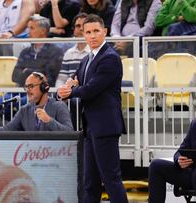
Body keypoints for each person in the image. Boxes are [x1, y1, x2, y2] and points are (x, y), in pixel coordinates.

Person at [57, 14, 128, 203]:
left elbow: (91, 89)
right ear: (84, 35)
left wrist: (70, 92)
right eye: (88, 32)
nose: (93, 35)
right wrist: (68, 86)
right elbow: (76, 80)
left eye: (96, 31)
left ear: (104, 32)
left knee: (111, 179)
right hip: (90, 127)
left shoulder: (110, 58)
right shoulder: (86, 59)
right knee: (90, 182)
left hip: (105, 126)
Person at [0, 72, 73, 132]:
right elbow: (7, 130)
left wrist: (49, 120)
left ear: (45, 87)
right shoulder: (25, 110)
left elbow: (69, 132)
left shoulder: (59, 106)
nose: (27, 90)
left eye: (31, 86)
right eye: (26, 87)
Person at [12, 15, 64, 87]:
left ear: (43, 31)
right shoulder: (25, 52)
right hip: (22, 90)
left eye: (31, 28)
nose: (28, 32)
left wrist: (26, 71)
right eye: (28, 28)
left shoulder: (55, 51)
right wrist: (37, 71)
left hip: (42, 93)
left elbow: (50, 78)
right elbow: (15, 76)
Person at [56, 13, 90, 87]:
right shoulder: (68, 53)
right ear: (73, 30)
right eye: (78, 26)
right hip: (71, 94)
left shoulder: (95, 52)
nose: (81, 28)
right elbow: (61, 79)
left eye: (84, 26)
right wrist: (60, 92)